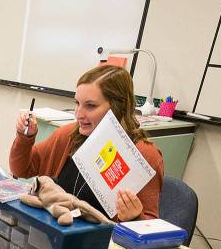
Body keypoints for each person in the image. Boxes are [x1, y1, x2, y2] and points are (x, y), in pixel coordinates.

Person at [9, 64, 164, 222]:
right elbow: (21, 169)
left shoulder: (144, 155)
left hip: (102, 242)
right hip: (59, 230)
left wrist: (134, 217)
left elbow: (149, 227)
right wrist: (25, 138)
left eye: (90, 106)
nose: (78, 114)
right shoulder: (68, 135)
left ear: (118, 107)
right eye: (77, 103)